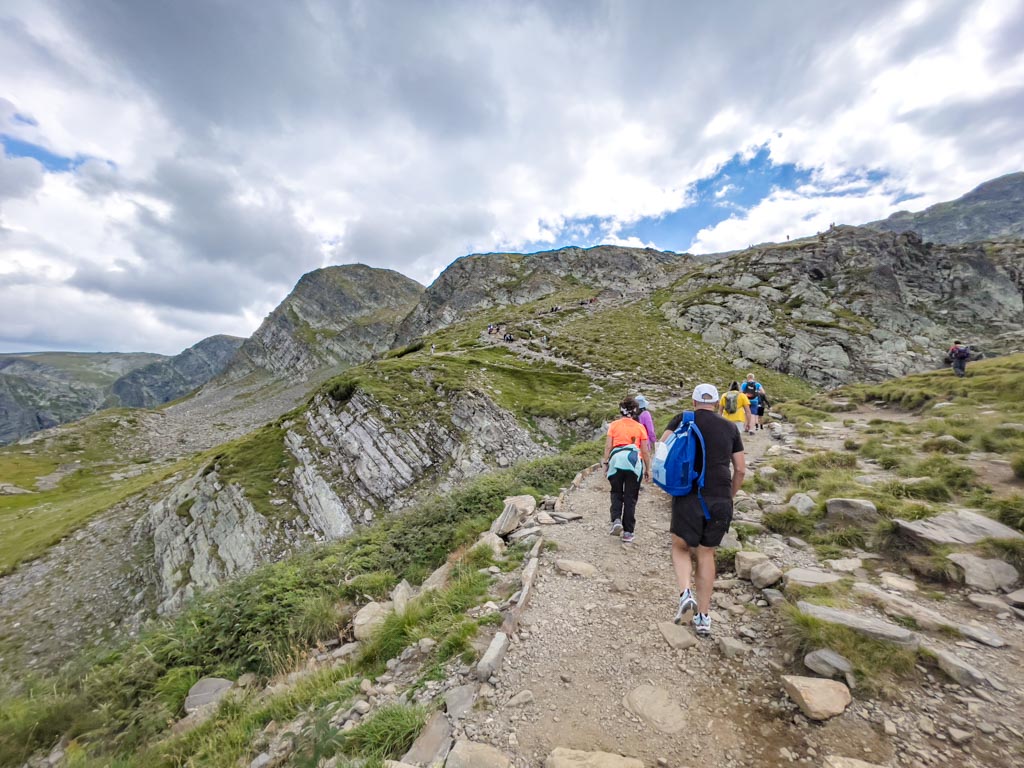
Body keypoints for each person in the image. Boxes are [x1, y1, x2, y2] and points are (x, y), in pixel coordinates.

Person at [660, 383, 745, 637]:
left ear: (694, 401)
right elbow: (740, 468)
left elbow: (662, 450)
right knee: (707, 553)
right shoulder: (730, 427)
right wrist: (730, 495)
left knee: (681, 546)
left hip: (689, 494)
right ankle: (704, 618)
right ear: (718, 403)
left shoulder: (683, 419)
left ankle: (685, 593)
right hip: (720, 497)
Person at [601, 397, 651, 544]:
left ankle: (616, 520)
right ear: (635, 411)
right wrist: (648, 469)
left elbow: (608, 447)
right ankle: (628, 532)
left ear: (621, 410)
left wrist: (605, 463)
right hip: (634, 463)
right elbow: (645, 451)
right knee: (631, 497)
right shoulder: (640, 427)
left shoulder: (614, 426)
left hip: (616, 461)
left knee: (616, 492)